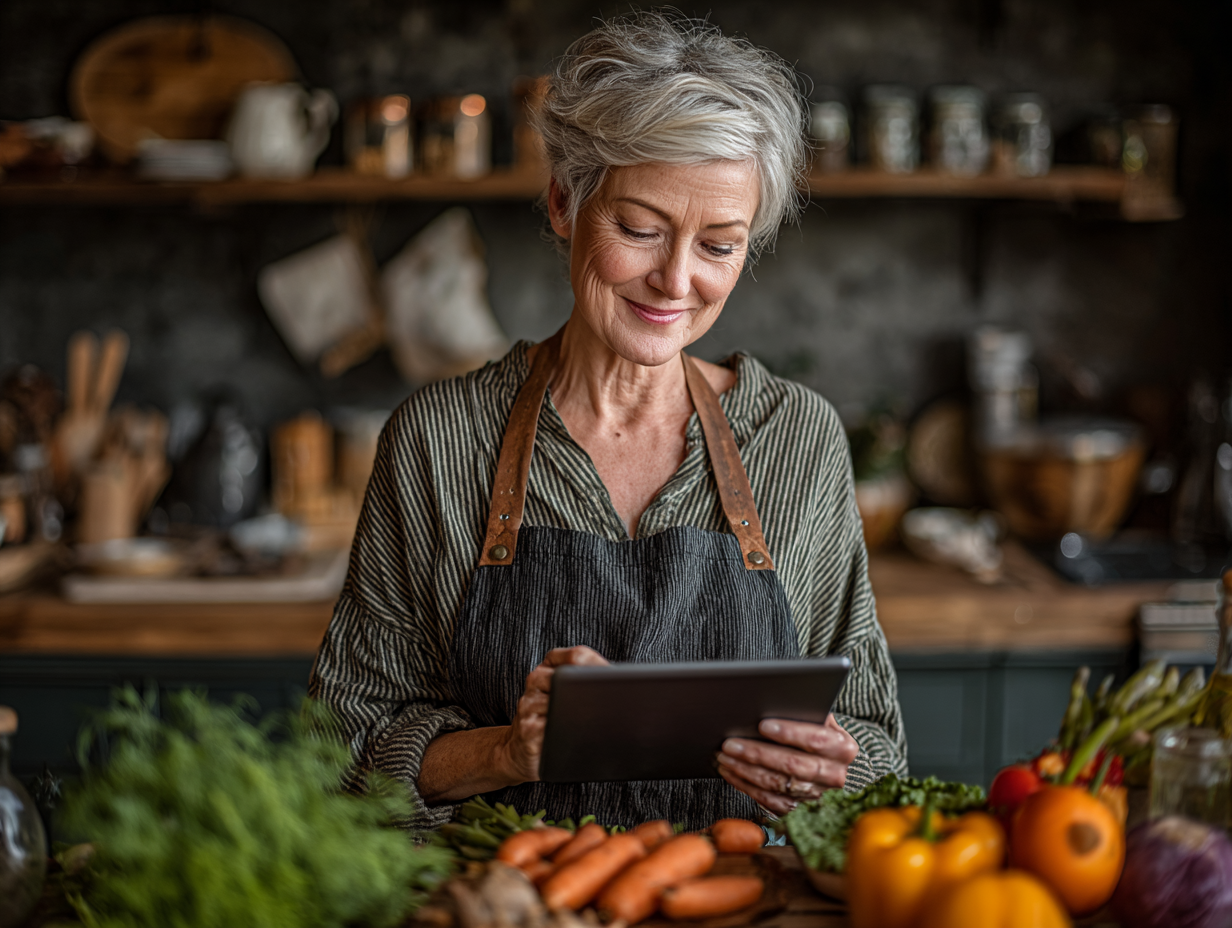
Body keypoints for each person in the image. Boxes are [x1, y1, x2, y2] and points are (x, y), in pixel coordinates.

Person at [310, 10, 907, 831]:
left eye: (720, 245)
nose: (675, 280)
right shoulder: (439, 440)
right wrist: (504, 752)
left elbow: (878, 748)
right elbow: (342, 754)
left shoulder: (796, 440)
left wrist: (828, 769)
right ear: (563, 201)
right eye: (639, 228)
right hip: (507, 908)